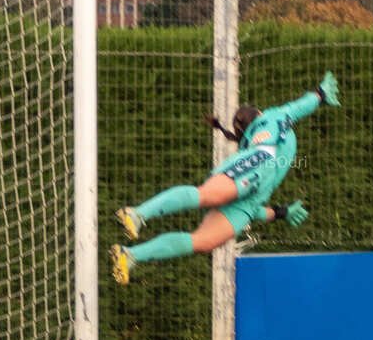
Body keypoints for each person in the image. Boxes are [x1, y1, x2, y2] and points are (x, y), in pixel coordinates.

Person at [110, 71, 340, 284]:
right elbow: (298, 107)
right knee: (206, 195)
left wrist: (281, 212)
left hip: (253, 196)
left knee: (203, 241)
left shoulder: (258, 147)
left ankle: (130, 255)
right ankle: (138, 213)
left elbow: (255, 209)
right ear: (259, 114)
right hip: (259, 161)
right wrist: (319, 95)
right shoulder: (272, 117)